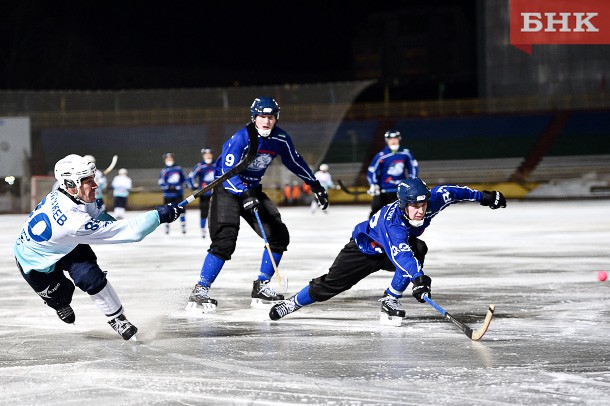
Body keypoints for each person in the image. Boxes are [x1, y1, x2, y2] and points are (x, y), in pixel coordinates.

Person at [268, 178, 507, 325]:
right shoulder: (393, 223)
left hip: (393, 248)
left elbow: (453, 192)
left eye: (423, 205)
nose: (420, 211)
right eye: (414, 206)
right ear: (403, 204)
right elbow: (401, 255)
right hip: (364, 249)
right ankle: (294, 303)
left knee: (419, 248)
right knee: (330, 285)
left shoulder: (432, 200)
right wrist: (419, 279)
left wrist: (484, 197)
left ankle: (390, 298)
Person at [14, 154, 184, 340]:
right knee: (61, 295)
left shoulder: (71, 195)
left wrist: (112, 228)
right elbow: (132, 232)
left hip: (66, 244)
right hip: (33, 261)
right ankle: (59, 303)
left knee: (90, 276)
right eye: (88, 181)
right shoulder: (73, 221)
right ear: (70, 185)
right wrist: (159, 216)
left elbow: (97, 215)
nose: (95, 185)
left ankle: (117, 318)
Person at [186, 96, 329, 312]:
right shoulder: (241, 139)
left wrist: (315, 185)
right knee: (225, 240)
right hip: (228, 189)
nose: (267, 120)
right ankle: (200, 289)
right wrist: (244, 195)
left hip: (252, 190)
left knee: (278, 235)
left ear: (276, 118)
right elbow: (226, 173)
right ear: (254, 118)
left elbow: (294, 161)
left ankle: (261, 285)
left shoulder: (280, 139)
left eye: (271, 116)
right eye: (262, 116)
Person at [366, 130, 418, 218]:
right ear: (387, 140)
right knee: (375, 214)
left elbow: (413, 168)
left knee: (402, 215)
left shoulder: (406, 153)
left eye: (395, 138)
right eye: (390, 139)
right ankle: (371, 231)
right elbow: (372, 171)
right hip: (383, 191)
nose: (393, 141)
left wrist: (411, 182)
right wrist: (373, 184)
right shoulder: (381, 155)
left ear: (399, 139)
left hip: (401, 191)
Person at [187, 147, 216, 238]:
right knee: (204, 212)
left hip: (216, 194)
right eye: (206, 154)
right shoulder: (200, 166)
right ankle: (203, 229)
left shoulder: (216, 164)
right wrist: (193, 187)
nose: (208, 156)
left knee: (216, 212)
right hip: (204, 194)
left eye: (209, 154)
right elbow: (190, 177)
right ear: (203, 155)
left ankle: (215, 229)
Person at [158, 152, 188, 235]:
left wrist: (182, 186)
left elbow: (184, 179)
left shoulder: (178, 169)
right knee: (167, 211)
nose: (169, 160)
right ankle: (167, 227)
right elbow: (161, 182)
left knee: (182, 210)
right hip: (168, 195)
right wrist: (168, 187)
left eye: (170, 158)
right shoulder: (164, 171)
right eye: (167, 159)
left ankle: (183, 226)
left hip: (178, 194)